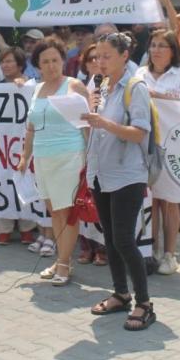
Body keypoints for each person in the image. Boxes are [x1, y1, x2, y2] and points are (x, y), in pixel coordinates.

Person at [82, 32, 156, 331]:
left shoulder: (135, 87)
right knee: (109, 237)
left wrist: (105, 123)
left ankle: (145, 303)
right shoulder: (99, 85)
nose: (100, 62)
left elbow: (139, 132)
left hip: (128, 174)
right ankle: (120, 294)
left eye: (106, 56)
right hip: (101, 171)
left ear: (124, 56)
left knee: (124, 239)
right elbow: (96, 129)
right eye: (97, 56)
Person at [18, 37, 89, 285]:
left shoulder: (75, 86)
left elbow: (88, 125)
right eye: (45, 61)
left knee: (66, 213)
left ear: (63, 61)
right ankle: (62, 258)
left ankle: (63, 264)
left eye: (55, 60)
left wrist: (90, 160)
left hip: (69, 156)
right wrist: (25, 156)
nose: (51, 66)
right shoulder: (36, 90)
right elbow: (30, 127)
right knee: (54, 213)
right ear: (37, 65)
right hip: (43, 159)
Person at [136, 29, 180, 275]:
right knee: (152, 199)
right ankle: (154, 250)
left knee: (170, 201)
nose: (156, 50)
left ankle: (170, 254)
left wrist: (157, 96)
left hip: (174, 144)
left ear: (173, 51)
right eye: (153, 45)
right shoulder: (140, 73)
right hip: (144, 146)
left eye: (163, 46)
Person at [0, 47, 38, 246]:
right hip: (2, 143)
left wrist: (24, 86)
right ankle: (4, 229)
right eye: (3, 62)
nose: (5, 65)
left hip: (23, 142)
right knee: (0, 180)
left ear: (19, 65)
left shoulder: (31, 86)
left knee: (25, 179)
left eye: (10, 61)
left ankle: (27, 228)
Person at [76, 43, 107, 266]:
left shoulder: (111, 86)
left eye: (100, 58)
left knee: (100, 200)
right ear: (85, 64)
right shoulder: (78, 88)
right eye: (91, 59)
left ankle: (103, 248)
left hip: (104, 150)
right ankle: (86, 246)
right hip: (81, 149)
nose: (96, 62)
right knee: (83, 199)